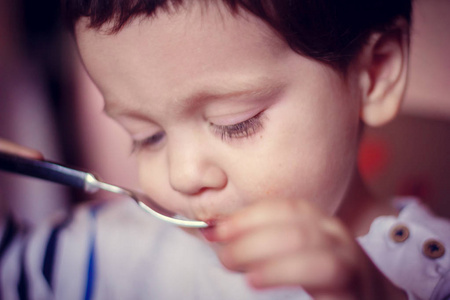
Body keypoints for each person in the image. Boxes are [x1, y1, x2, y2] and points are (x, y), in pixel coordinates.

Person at [1, 0, 450, 299]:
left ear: (374, 72)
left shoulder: (433, 275)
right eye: (147, 135)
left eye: (235, 123)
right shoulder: (112, 249)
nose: (181, 176)